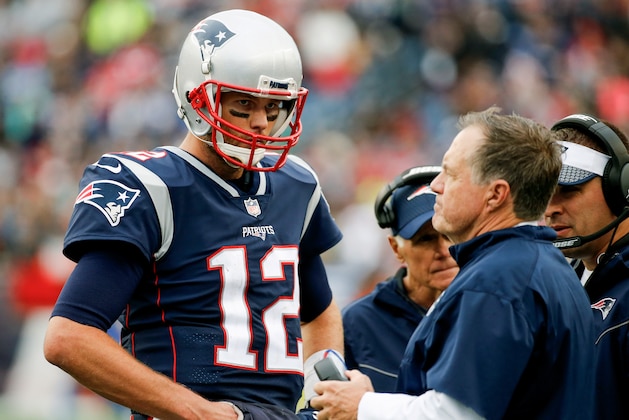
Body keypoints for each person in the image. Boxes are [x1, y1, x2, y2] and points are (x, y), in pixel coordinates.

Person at [43, 9, 344, 420]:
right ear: (196, 96)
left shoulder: (296, 184)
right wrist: (197, 411)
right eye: (243, 103)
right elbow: (69, 337)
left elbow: (319, 309)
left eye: (274, 106)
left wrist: (327, 386)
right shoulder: (150, 186)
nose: (261, 121)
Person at [311, 106, 596, 420]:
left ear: (496, 194)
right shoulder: (545, 265)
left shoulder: (497, 280)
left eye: (451, 173)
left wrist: (362, 406)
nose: (436, 184)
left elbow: (456, 415)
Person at [341, 166, 458, 392]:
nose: (443, 250)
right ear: (396, 248)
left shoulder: (488, 309)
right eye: (425, 239)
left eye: (449, 234)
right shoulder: (358, 325)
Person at [545, 113, 629, 418]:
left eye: (568, 190)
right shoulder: (566, 282)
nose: (551, 208)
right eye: (546, 192)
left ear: (620, 186)